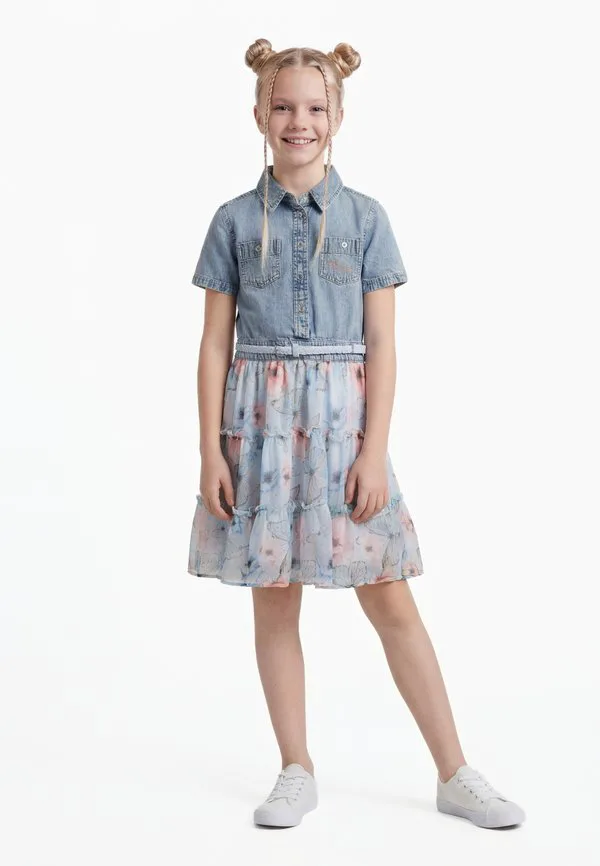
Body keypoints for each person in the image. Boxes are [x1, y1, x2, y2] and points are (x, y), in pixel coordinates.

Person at [186, 38, 526, 831]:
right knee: (275, 602)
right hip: (261, 435)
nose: (297, 121)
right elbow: (213, 344)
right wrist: (210, 451)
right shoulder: (232, 222)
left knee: (391, 598)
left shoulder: (367, 219)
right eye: (282, 106)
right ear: (258, 114)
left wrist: (373, 451)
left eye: (314, 107)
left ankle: (454, 770)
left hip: (345, 435)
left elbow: (382, 344)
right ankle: (295, 767)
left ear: (337, 116)